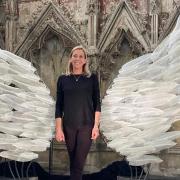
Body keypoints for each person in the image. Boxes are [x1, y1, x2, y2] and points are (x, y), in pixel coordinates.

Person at [55, 45, 101, 180]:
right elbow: (59, 106)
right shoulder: (62, 79)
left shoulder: (91, 78)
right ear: (70, 58)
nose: (77, 59)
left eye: (81, 56)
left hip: (86, 126)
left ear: (85, 60)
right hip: (68, 126)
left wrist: (96, 126)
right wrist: (58, 129)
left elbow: (97, 103)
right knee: (74, 163)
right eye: (75, 56)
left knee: (78, 164)